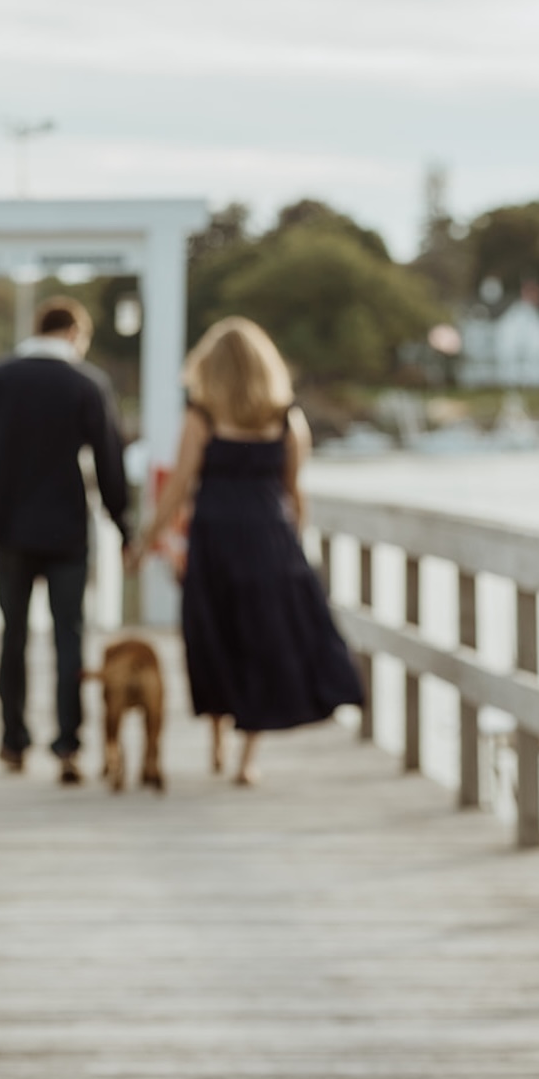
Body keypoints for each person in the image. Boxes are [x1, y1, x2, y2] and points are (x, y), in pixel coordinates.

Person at [144, 316, 361, 787]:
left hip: (215, 541)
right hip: (269, 541)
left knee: (214, 637)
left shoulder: (200, 417)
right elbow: (293, 492)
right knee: (260, 643)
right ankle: (246, 757)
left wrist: (146, 540)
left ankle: (219, 735)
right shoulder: (286, 419)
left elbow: (179, 487)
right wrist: (293, 544)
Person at [0, 295, 130, 784]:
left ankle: (13, 742)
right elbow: (109, 462)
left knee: (12, 636)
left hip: (10, 528)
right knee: (69, 637)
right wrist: (124, 527)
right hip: (67, 531)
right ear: (76, 333)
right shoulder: (87, 383)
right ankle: (68, 746)